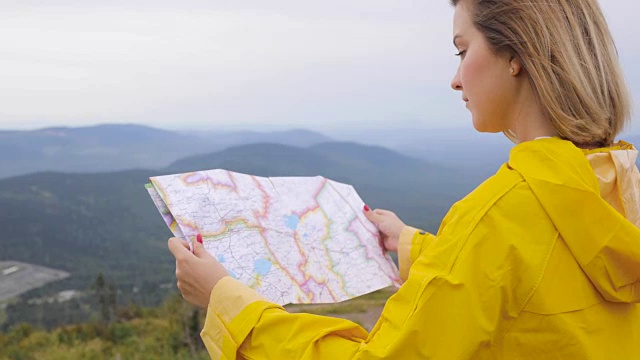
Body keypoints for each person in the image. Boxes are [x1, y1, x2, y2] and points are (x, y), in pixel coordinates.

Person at [167, 0, 640, 358]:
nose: (456, 80)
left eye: (463, 50)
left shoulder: (502, 213)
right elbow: (531, 279)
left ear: (517, 54)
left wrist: (226, 301)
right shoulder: (613, 183)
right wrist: (412, 244)